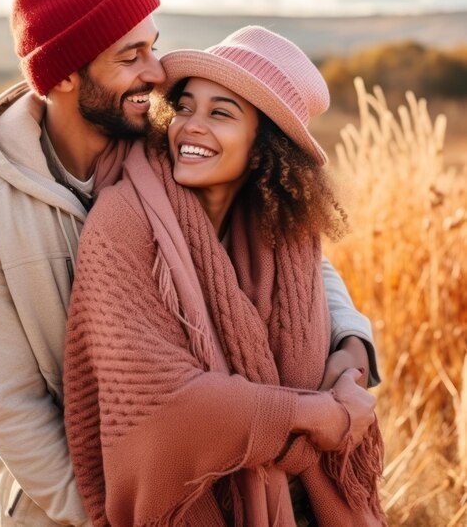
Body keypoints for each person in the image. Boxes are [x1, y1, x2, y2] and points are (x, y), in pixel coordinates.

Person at [0, 0, 380, 527]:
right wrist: (106, 511)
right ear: (65, 73)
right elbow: (10, 404)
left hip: (217, 480)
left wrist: (351, 340)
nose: (156, 70)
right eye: (131, 56)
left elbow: (286, 246)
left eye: (153, 44)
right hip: (68, 500)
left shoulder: (164, 145)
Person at [63, 26, 386, 527]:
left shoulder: (284, 229)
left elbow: (323, 309)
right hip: (197, 501)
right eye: (185, 106)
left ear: (264, 146)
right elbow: (161, 404)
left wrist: (351, 359)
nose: (190, 126)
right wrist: (311, 415)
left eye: (221, 113)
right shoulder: (125, 218)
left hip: (300, 496)